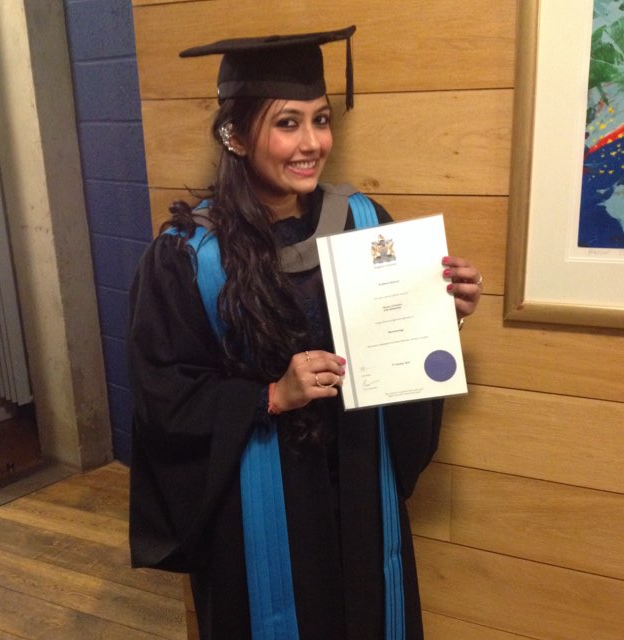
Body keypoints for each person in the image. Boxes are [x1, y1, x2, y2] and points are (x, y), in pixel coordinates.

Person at [128, 25, 482, 640]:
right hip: (257, 504)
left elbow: (393, 346)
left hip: (360, 478)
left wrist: (441, 311)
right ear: (235, 135)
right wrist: (269, 395)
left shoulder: (365, 224)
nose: (313, 143)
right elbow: (163, 393)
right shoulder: (190, 254)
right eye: (287, 123)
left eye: (321, 120)